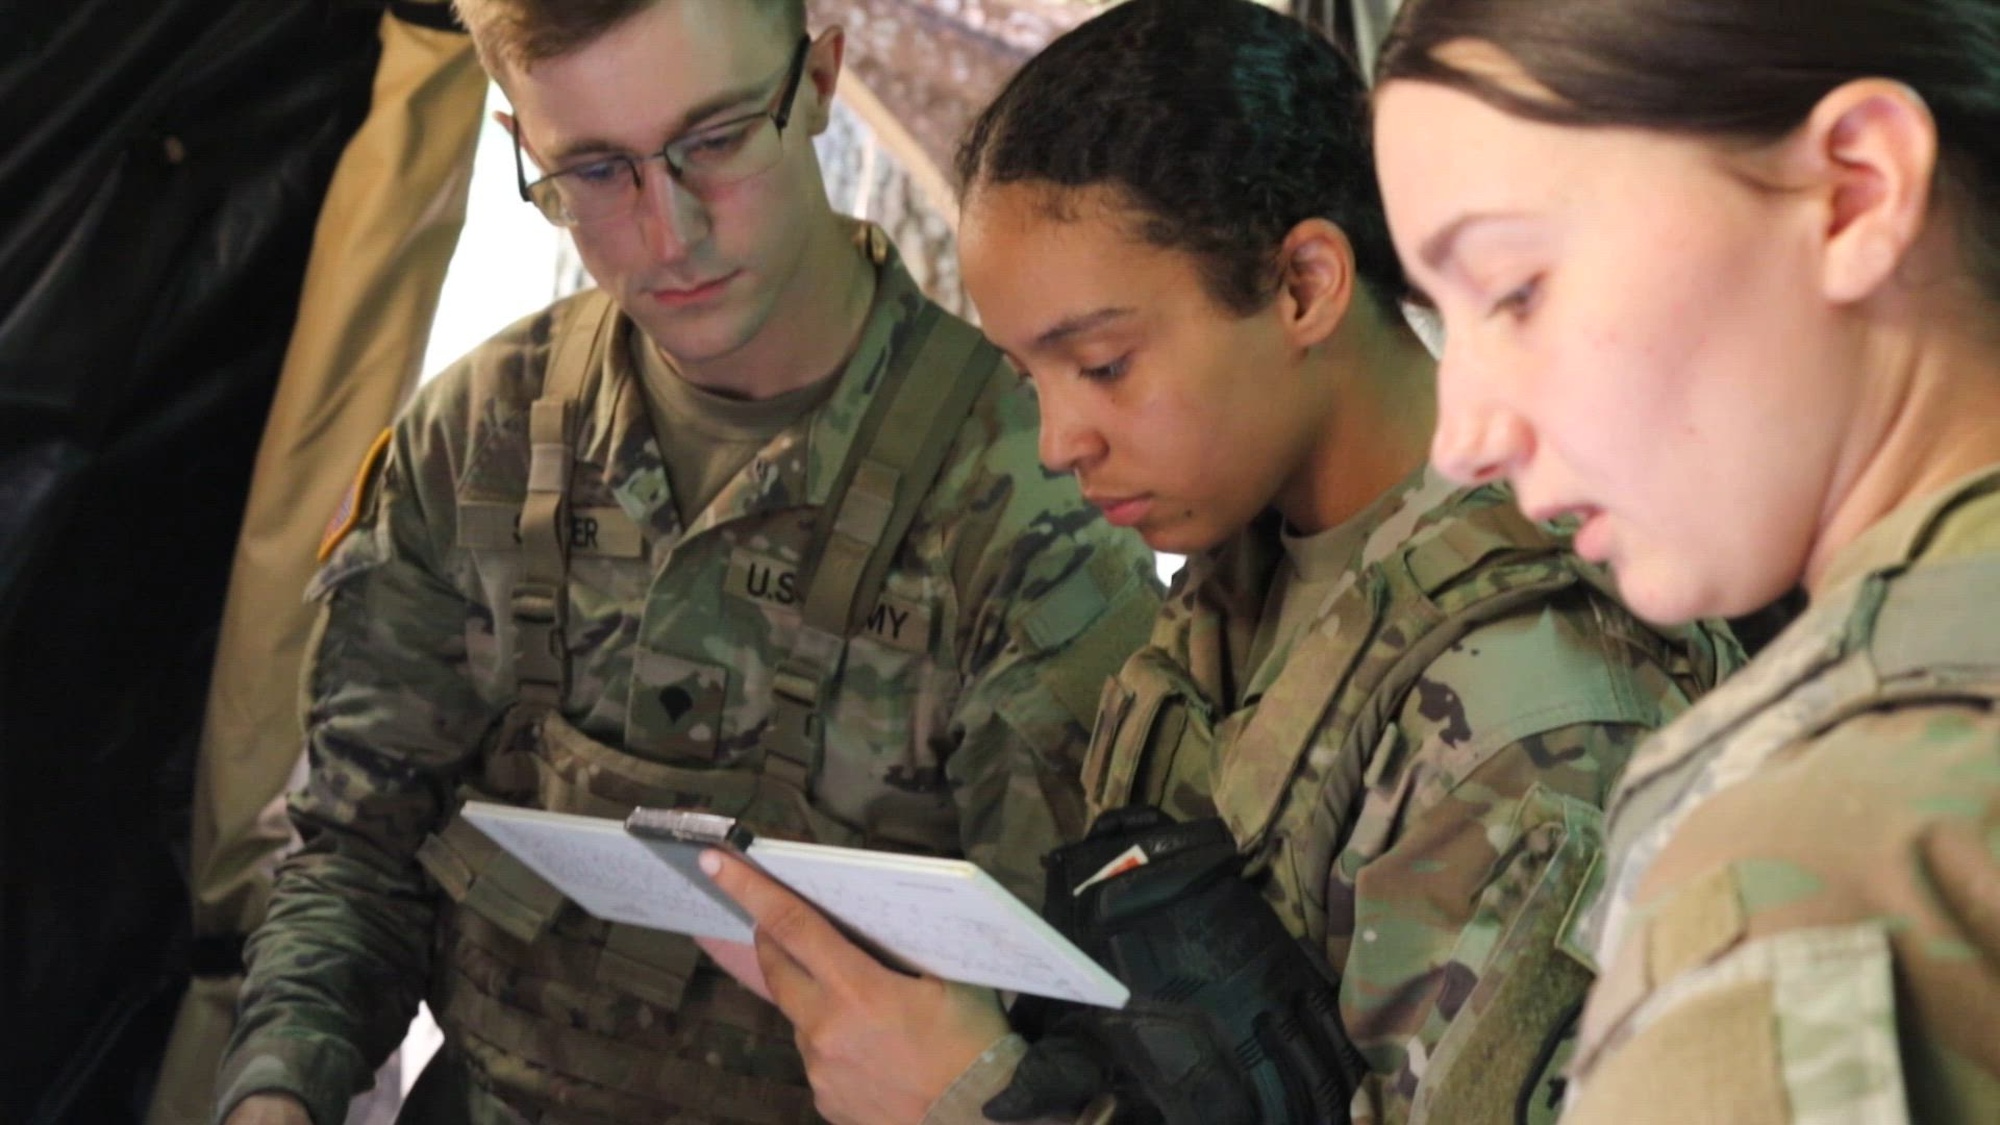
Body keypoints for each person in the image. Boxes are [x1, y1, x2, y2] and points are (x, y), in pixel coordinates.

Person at [694, 2, 1739, 1122]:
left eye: (1100, 364)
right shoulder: (1245, 584)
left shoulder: (1538, 710)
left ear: (1301, 285)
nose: (1058, 441)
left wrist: (973, 1103)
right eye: (1027, 377)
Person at [210, 0, 1163, 1121]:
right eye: (597, 172)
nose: (669, 233)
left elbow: (1076, 1019)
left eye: (712, 141)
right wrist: (275, 1095)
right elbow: (352, 864)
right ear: (524, 150)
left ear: (816, 84)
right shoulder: (477, 438)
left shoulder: (1029, 503)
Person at [1370, 0, 2000, 1120]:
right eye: (1442, 321)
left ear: (1852, 190)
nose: (1458, 437)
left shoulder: (1807, 876)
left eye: (1514, 290)